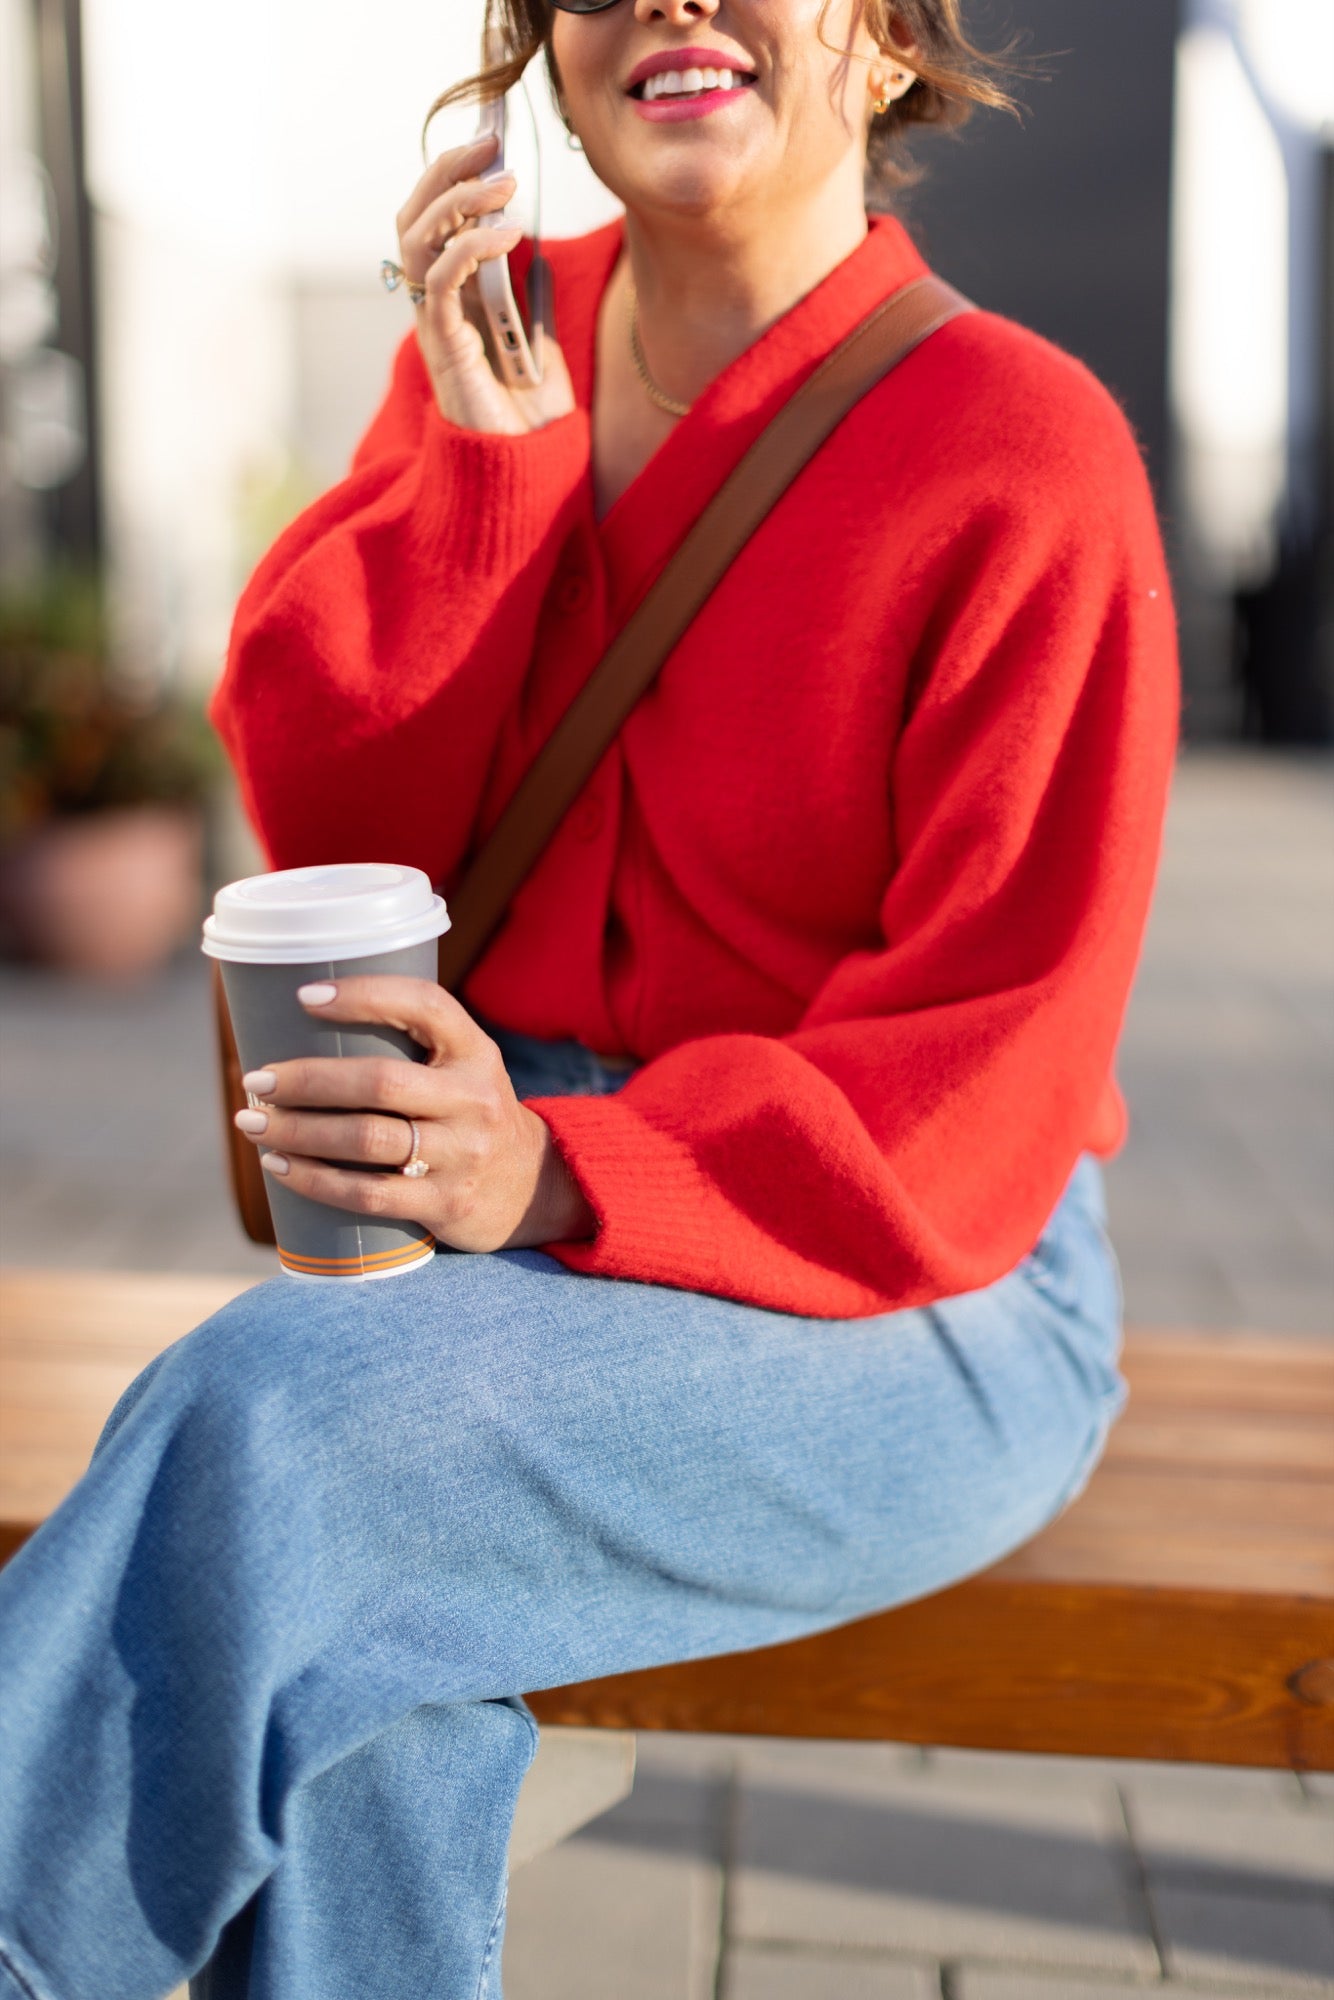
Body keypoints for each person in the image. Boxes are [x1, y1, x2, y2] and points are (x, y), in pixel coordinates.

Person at [0, 1, 1178, 1995]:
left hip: (913, 1286)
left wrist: (554, 1163)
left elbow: (987, 1078)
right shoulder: (496, 343)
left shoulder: (1022, 446)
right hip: (491, 1223)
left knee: (281, 1434)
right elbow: (337, 840)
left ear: (888, 51)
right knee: (357, 1670)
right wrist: (482, 480)